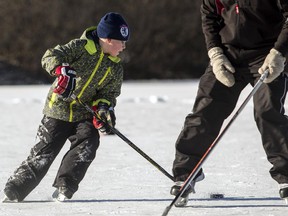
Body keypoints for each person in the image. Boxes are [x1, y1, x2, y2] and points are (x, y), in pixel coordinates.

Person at [170, 0, 288, 207]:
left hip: (266, 55)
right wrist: (215, 53)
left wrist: (279, 53)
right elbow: (209, 16)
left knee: (267, 110)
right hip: (228, 55)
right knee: (205, 110)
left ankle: (285, 175)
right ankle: (186, 173)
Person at [2, 12, 129, 202]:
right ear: (108, 39)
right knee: (44, 152)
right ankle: (15, 189)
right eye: (121, 41)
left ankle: (65, 185)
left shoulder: (115, 67)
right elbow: (50, 55)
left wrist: (103, 109)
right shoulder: (79, 47)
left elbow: (109, 94)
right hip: (58, 109)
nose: (124, 46)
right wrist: (60, 69)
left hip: (83, 113)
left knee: (88, 143)